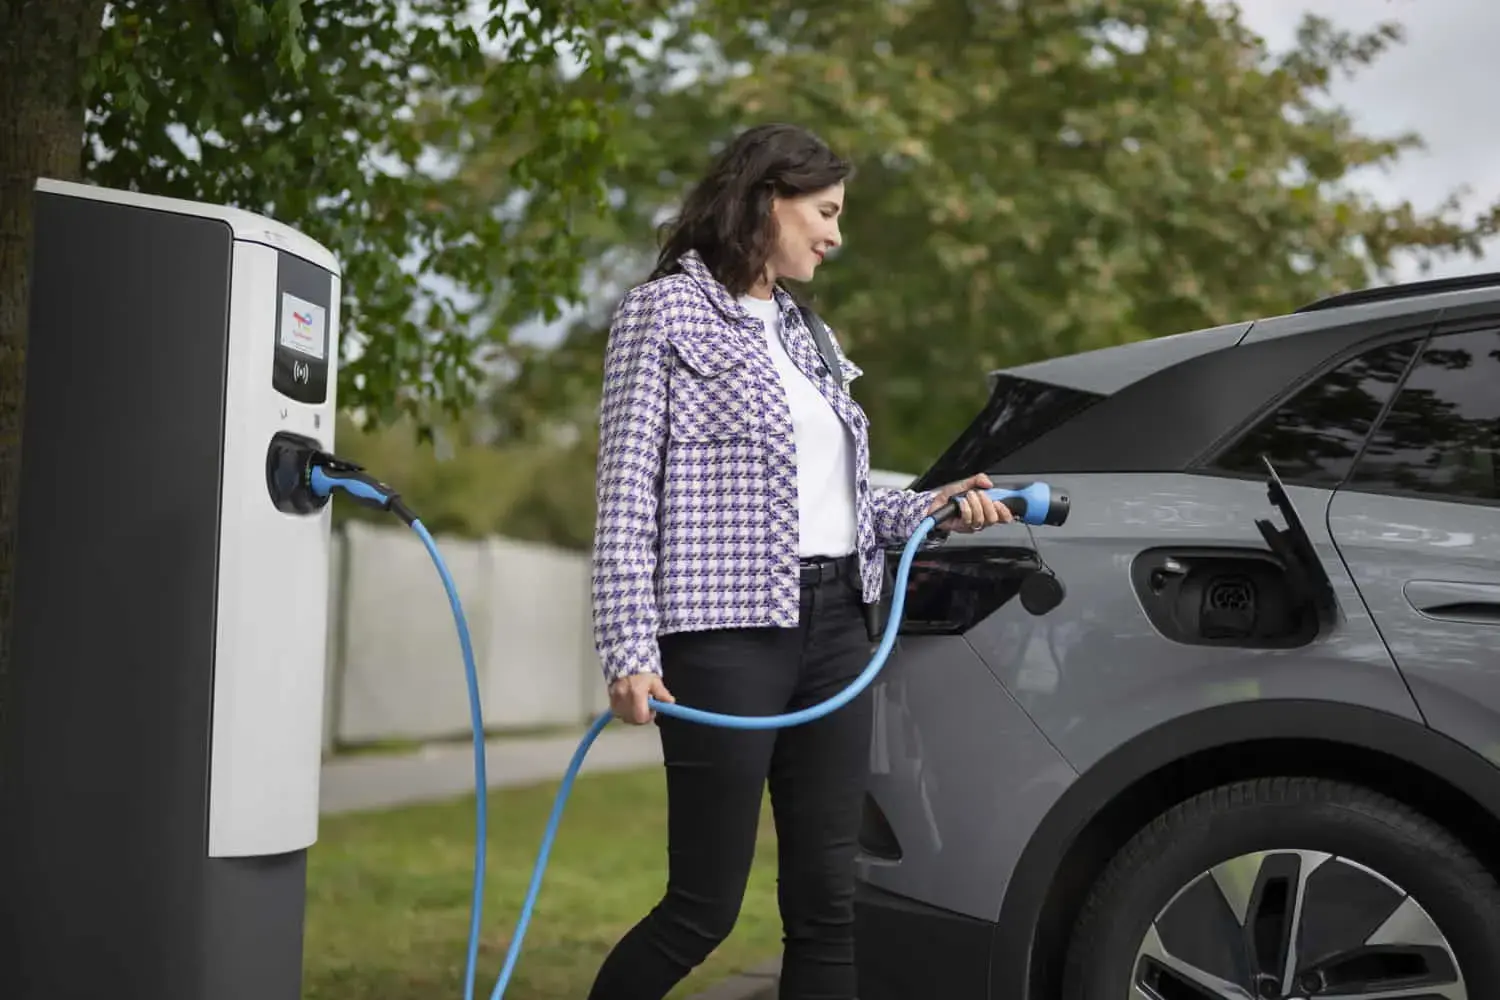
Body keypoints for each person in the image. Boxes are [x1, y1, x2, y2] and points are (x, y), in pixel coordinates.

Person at [586, 122, 1012, 1000]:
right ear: (765, 200)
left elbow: (847, 507)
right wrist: (629, 647)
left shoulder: (808, 334)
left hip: (835, 634)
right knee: (701, 907)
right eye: (823, 211)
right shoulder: (661, 312)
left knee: (826, 905)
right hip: (723, 636)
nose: (835, 234)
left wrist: (935, 508)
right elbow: (626, 492)